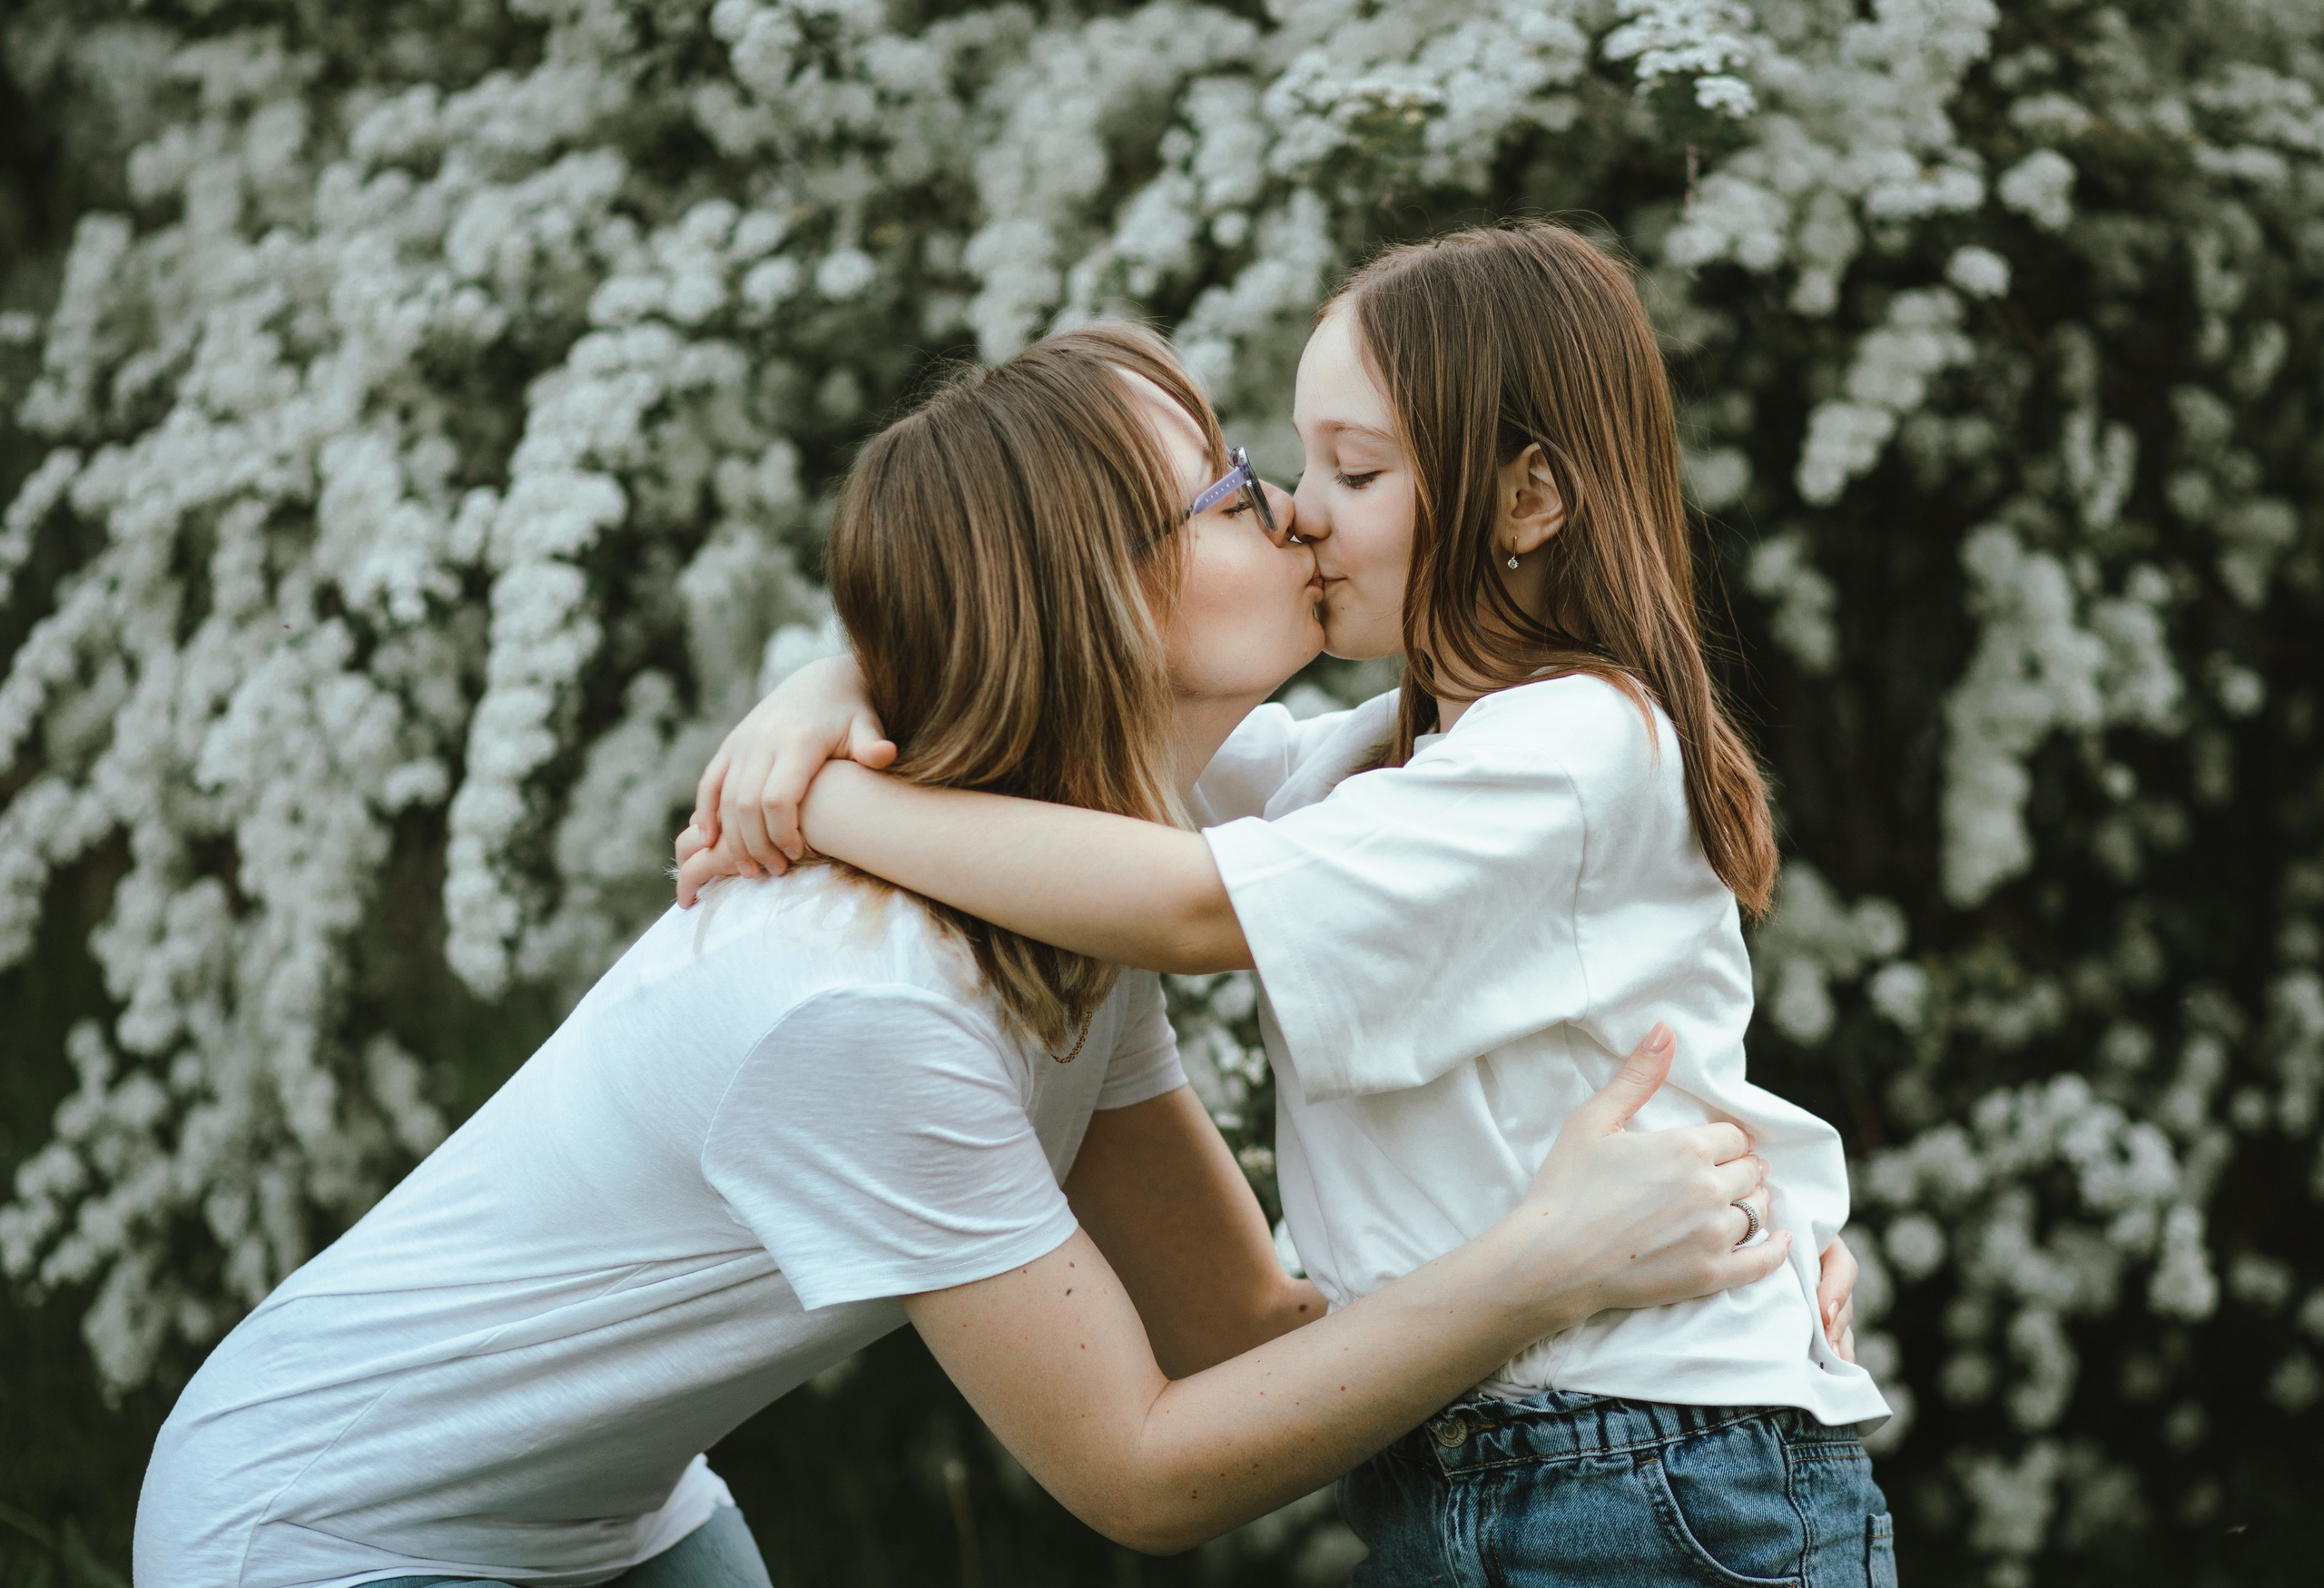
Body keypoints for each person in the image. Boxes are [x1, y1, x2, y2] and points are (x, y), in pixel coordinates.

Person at [133, 323, 1803, 1588]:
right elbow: (1143, 1467)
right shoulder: (872, 1002)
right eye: (1227, 489)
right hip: (312, 1520)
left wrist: (1719, 1272)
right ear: (1101, 595)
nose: (1288, 510)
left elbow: (1242, 1326)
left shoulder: (1077, 894)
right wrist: (1541, 1264)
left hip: (601, 1514)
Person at [675, 222, 1894, 1587]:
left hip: (1649, 1474)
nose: (1301, 507)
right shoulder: (1376, 756)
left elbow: (1189, 906)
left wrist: (838, 803)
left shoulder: (1572, 749)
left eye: (1356, 469)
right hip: (1495, 1463)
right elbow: (1088, 719)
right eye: (1300, 460)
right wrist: (833, 690)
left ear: (1527, 499)